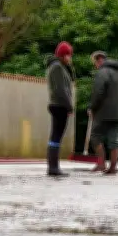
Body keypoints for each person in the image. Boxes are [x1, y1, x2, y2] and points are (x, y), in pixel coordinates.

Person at [87, 51, 118, 175]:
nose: (96, 66)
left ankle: (101, 163)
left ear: (99, 60)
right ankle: (113, 168)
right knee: (114, 139)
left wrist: (92, 107)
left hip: (104, 112)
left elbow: (98, 92)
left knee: (95, 136)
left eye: (95, 63)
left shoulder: (102, 72)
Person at [45, 41, 75, 177]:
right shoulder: (57, 67)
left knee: (56, 137)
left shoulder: (60, 67)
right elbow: (61, 90)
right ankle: (53, 167)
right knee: (55, 137)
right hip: (59, 105)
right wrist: (69, 106)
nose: (70, 58)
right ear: (63, 55)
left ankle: (54, 166)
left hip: (59, 105)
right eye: (69, 55)